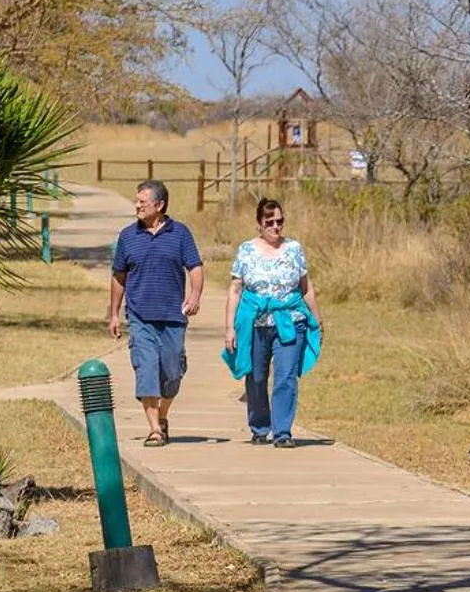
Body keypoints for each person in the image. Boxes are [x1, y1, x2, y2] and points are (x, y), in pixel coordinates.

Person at [108, 180, 203, 447]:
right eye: (136, 200)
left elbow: (195, 267)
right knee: (146, 369)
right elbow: (118, 276)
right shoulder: (127, 236)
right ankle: (154, 430)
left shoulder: (180, 233)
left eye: (143, 201)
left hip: (173, 316)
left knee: (172, 373)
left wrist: (194, 296)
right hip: (140, 317)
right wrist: (114, 314)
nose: (137, 205)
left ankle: (162, 416)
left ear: (159, 205)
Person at [223, 197, 322, 448]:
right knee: (256, 376)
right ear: (259, 224)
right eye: (270, 222)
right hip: (255, 322)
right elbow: (235, 289)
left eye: (280, 221)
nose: (276, 227)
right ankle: (259, 426)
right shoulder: (246, 250)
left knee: (285, 375)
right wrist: (229, 328)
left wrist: (317, 319)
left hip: (290, 319)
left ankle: (283, 432)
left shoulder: (294, 249)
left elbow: (305, 286)